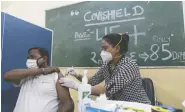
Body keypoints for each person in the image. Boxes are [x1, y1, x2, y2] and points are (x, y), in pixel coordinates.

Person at [59, 33, 151, 104]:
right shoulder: (107, 65)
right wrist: (77, 75)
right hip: (118, 106)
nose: (102, 51)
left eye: (105, 48)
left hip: (137, 107)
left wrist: (77, 86)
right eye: (102, 48)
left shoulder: (128, 66)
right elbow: (92, 81)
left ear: (117, 48)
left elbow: (106, 91)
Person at [4, 47, 74, 112]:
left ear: (44, 59)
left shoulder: (55, 76)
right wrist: (43, 70)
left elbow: (67, 104)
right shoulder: (26, 75)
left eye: (32, 57)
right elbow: (7, 76)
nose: (29, 60)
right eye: (28, 58)